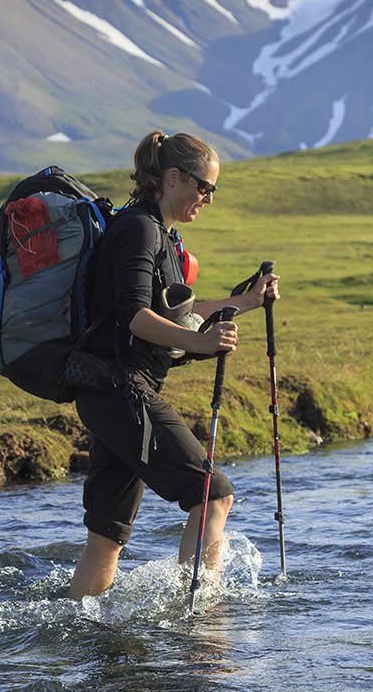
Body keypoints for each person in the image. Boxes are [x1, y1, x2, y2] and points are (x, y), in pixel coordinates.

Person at [67, 130, 279, 599]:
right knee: (213, 493)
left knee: (107, 536)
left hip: (110, 393)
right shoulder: (140, 230)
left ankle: (83, 632)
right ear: (173, 177)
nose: (208, 198)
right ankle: (201, 627)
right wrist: (199, 345)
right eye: (205, 187)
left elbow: (175, 312)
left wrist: (245, 301)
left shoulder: (158, 234)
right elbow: (136, 318)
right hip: (122, 390)